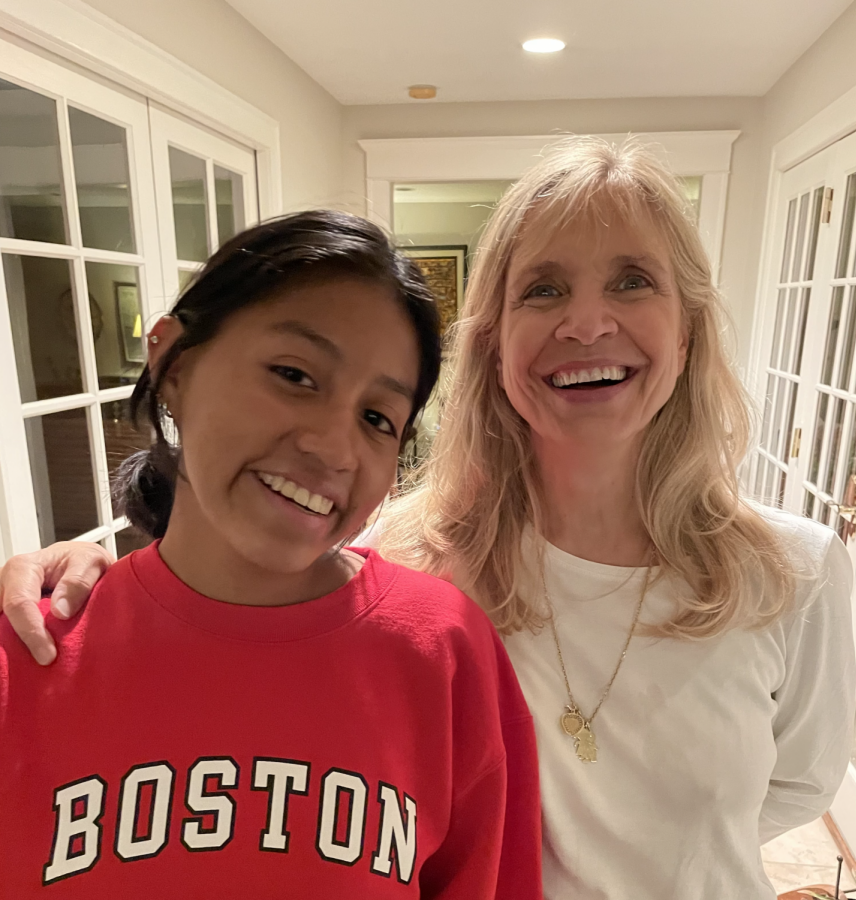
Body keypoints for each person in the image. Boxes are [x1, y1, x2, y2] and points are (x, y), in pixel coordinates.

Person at [0, 138, 855, 899]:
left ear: (690, 326)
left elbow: (801, 787)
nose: (587, 321)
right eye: (543, 289)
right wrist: (90, 586)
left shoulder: (796, 569)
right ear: (494, 341)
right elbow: (227, 622)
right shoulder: (406, 559)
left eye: (633, 280)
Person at [0, 211, 542, 898]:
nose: (333, 447)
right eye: (294, 374)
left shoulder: (442, 652)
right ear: (172, 363)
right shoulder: (28, 655)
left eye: (377, 419)